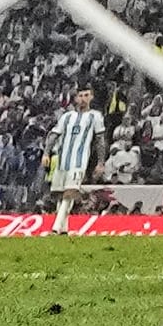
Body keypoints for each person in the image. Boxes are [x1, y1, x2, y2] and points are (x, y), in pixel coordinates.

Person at [48, 86, 104, 230]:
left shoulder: (95, 116)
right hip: (62, 161)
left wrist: (101, 162)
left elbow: (100, 140)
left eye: (86, 95)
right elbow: (54, 134)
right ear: (76, 98)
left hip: (79, 161)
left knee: (70, 192)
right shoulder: (66, 116)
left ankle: (56, 226)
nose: (83, 98)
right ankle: (64, 229)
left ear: (91, 97)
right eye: (80, 95)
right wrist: (45, 153)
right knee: (61, 195)